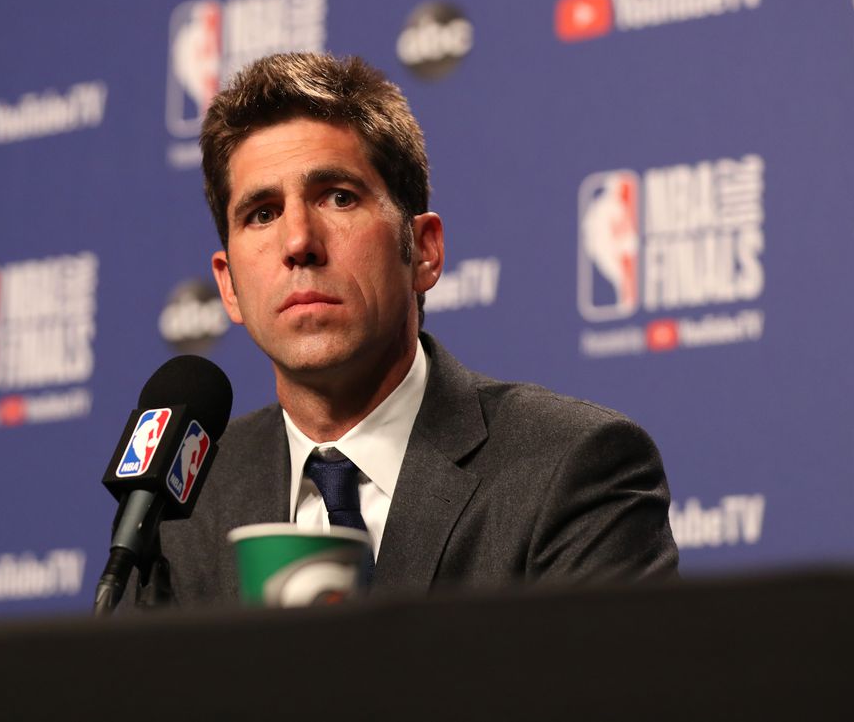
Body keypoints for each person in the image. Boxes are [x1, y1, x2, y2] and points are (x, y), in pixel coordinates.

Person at [150, 52, 678, 604]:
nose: (298, 242)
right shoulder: (186, 497)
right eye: (262, 213)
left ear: (423, 251)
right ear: (229, 284)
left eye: (338, 197)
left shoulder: (572, 468)